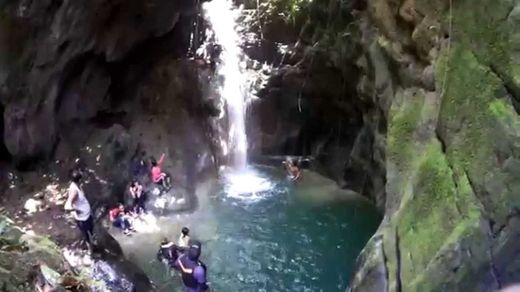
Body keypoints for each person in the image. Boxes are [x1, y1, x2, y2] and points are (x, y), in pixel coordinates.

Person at [65, 169, 94, 249]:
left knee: (91, 232)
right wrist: (77, 210)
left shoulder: (76, 185)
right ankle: (91, 253)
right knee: (87, 236)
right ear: (79, 180)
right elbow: (67, 206)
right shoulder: (75, 191)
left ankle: (92, 245)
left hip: (86, 215)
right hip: (83, 219)